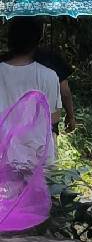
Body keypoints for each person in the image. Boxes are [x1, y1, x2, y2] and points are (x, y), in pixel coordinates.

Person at [0, 20, 62, 151]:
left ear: (10, 40)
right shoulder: (49, 76)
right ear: (38, 40)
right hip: (37, 156)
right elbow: (54, 117)